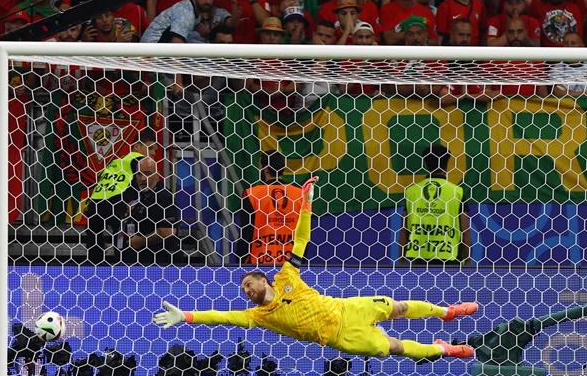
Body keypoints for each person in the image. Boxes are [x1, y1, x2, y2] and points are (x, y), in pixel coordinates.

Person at [153, 176, 479, 361]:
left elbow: (301, 238)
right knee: (391, 347)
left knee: (398, 306)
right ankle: (444, 349)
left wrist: (306, 203)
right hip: (341, 336)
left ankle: (446, 312)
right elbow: (222, 317)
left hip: (346, 307)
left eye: (249, 285)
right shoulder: (258, 316)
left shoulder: (286, 275)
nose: (247, 291)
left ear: (263, 279)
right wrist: (187, 315)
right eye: (244, 290)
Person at [400, 144, 471, 262]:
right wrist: (467, 259)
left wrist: (401, 259)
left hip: (418, 258)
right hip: (449, 258)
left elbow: (403, 229)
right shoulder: (457, 192)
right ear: (447, 164)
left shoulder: (412, 191)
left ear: (426, 164)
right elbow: (465, 230)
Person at [241, 153, 308, 265]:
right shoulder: (300, 195)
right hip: (291, 263)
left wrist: (241, 263)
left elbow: (246, 233)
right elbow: (304, 234)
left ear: (265, 169)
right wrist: (300, 263)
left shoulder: (251, 194)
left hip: (258, 263)